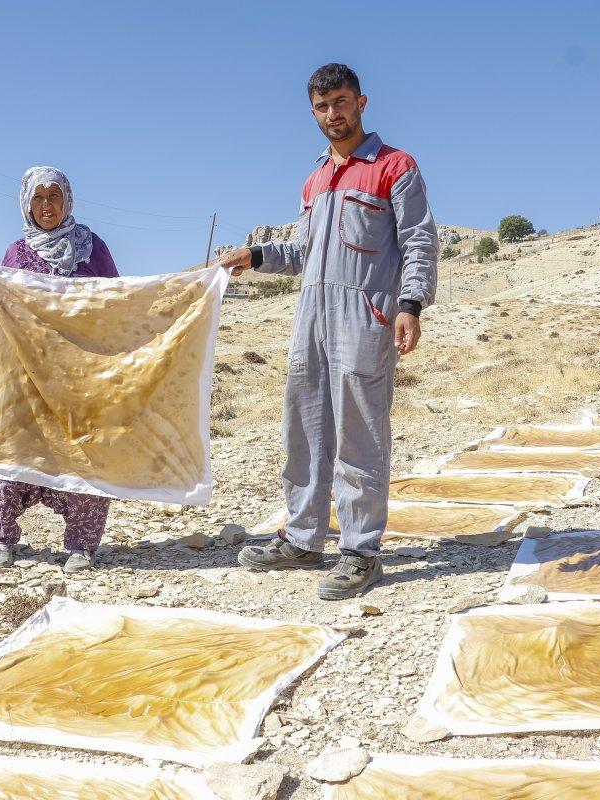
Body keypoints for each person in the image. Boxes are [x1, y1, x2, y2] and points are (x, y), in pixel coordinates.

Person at [218, 63, 438, 600]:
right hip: (310, 318)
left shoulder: (395, 166)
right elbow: (303, 252)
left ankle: (361, 551)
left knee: (360, 431)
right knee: (305, 427)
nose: (331, 114)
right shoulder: (315, 179)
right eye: (321, 107)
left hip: (366, 315)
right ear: (313, 113)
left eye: (340, 102)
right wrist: (258, 254)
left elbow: (419, 241)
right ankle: (301, 537)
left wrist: (411, 304)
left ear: (361, 102)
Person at [0, 166, 120, 573]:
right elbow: (1, 304)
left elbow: (117, 300)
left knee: (82, 453)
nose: (47, 206)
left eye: (54, 197)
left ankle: (82, 544)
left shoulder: (92, 248)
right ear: (27, 204)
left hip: (76, 375)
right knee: (5, 446)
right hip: (25, 375)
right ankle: (0, 537)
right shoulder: (15, 252)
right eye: (38, 198)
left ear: (67, 200)